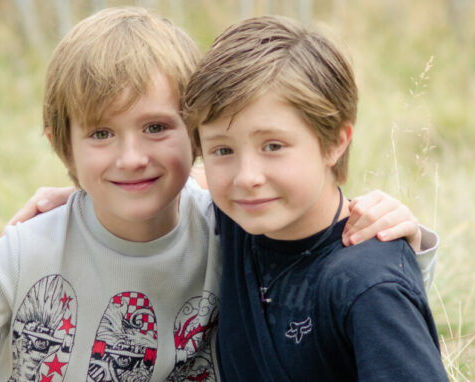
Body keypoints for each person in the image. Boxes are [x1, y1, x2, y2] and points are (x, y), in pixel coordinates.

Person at [0, 7, 431, 382]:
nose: (131, 157)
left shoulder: (230, 227)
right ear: (63, 148)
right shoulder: (29, 250)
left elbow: (323, 256)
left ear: (191, 135)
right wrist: (86, 194)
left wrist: (399, 233)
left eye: (157, 128)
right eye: (100, 134)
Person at [183, 16, 448, 381]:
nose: (246, 178)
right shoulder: (237, 219)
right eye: (222, 150)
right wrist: (80, 203)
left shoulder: (368, 284)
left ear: (336, 142)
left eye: (273, 146)